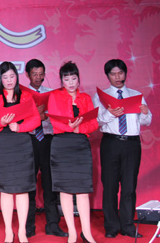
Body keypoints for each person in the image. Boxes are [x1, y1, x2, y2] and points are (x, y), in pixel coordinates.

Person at [93, 59, 151, 239]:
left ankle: (127, 226)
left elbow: (146, 121)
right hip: (111, 143)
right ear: (107, 76)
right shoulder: (101, 96)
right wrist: (110, 114)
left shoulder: (136, 95)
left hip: (132, 144)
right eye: (113, 74)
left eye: (120, 73)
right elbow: (97, 121)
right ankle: (111, 226)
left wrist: (145, 113)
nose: (118, 77)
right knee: (110, 186)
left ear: (125, 73)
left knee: (129, 186)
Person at [0, 62, 41, 243]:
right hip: (4, 144)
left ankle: (22, 231)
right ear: (0, 79)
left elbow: (36, 120)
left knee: (23, 189)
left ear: (17, 77)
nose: (9, 80)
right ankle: (9, 231)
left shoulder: (26, 95)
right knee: (7, 190)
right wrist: (1, 122)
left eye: (12, 76)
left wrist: (20, 127)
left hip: (22, 142)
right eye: (5, 77)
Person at [48, 62, 99, 243]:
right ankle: (72, 232)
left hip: (81, 144)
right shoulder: (54, 95)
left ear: (78, 79)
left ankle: (87, 232)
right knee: (65, 190)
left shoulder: (86, 98)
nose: (70, 82)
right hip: (61, 144)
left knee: (83, 190)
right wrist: (69, 127)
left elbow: (94, 123)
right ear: (61, 80)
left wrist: (78, 129)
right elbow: (54, 121)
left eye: (73, 78)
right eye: (66, 79)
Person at [24, 59, 67, 238]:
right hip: (29, 140)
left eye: (41, 74)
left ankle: (53, 224)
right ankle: (28, 225)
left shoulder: (52, 94)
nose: (38, 77)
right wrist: (35, 115)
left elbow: (59, 117)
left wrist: (46, 116)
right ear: (27, 75)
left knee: (50, 182)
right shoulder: (22, 94)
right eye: (35, 74)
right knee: (29, 183)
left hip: (48, 139)